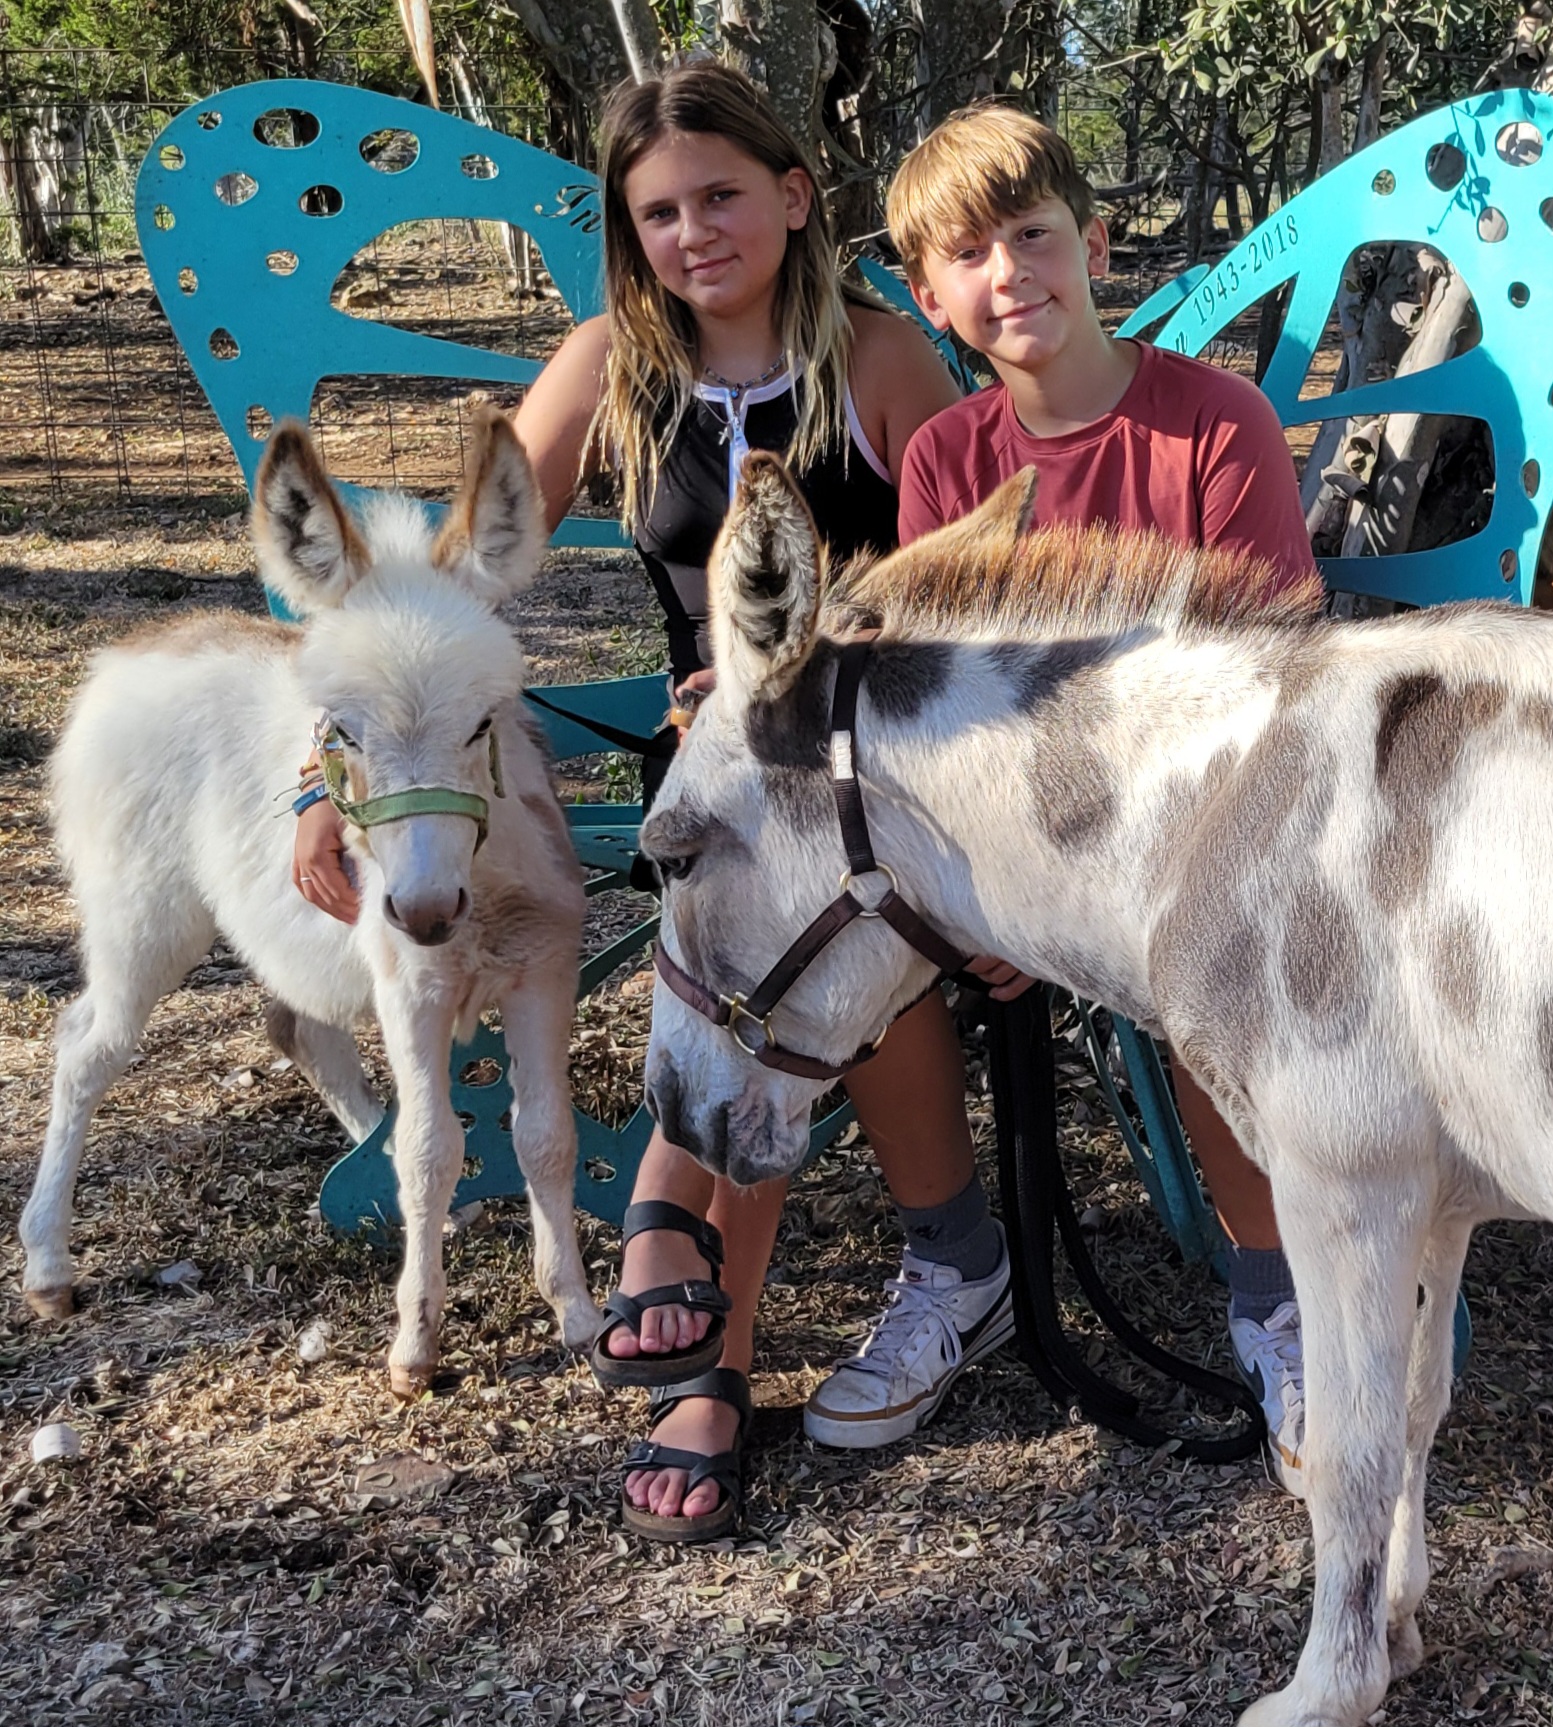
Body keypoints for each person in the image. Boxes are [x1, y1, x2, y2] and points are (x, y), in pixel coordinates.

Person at [290, 58, 974, 1539]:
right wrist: (327, 771)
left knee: (793, 950)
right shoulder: (611, 361)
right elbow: (447, 578)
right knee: (755, 941)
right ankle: (881, 1282)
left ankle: (733, 1349)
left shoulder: (873, 359)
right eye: (658, 210)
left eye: (722, 195)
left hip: (881, 741)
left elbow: (959, 587)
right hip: (708, 747)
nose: (692, 232)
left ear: (792, 198)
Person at [866, 102, 1316, 1497]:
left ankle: (1277, 1302)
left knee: (1205, 971)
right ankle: (951, 1264)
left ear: (1093, 246)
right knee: (855, 941)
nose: (1008, 273)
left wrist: (1082, 903)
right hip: (1022, 853)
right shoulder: (946, 462)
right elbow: (945, 708)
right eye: (966, 256)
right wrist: (992, 897)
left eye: (1031, 235)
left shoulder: (1210, 426)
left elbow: (1262, 683)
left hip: (1208, 828)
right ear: (928, 296)